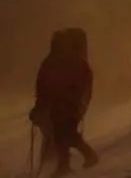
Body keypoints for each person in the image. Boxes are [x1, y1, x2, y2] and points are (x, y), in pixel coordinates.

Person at [29, 28, 99, 176]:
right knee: (62, 135)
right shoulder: (65, 60)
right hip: (62, 105)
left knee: (65, 134)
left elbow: (43, 85)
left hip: (69, 105)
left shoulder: (65, 61)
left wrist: (74, 99)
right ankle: (69, 163)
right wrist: (40, 105)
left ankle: (82, 158)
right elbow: (43, 85)